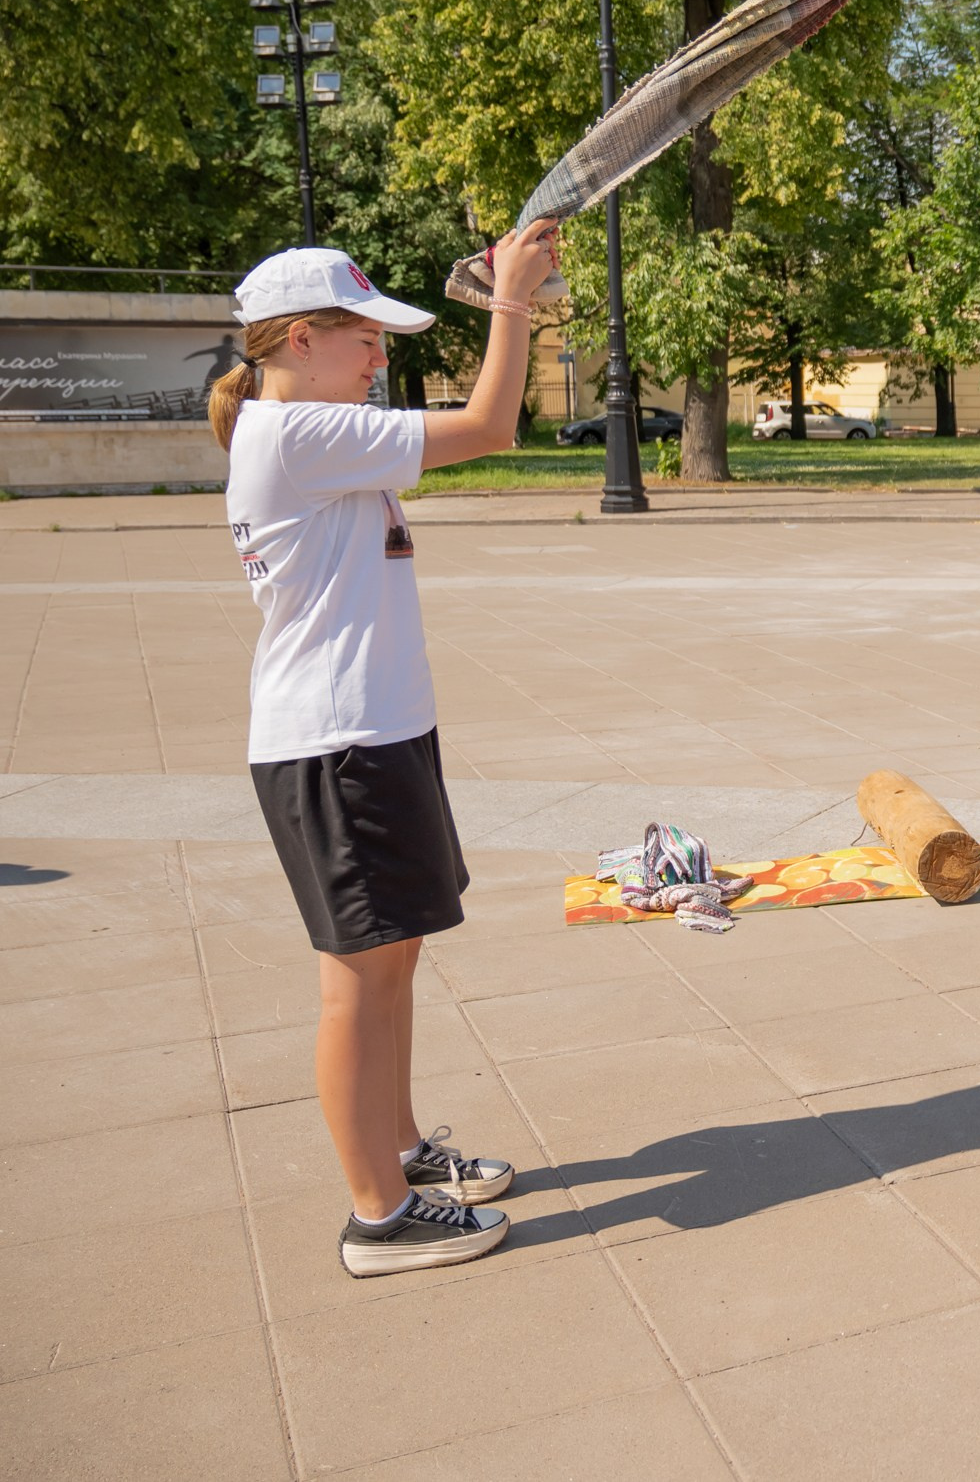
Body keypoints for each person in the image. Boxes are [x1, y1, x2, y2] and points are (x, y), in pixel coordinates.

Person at [218, 231, 558, 1276]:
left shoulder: (314, 430)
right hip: (336, 744)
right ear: (301, 340)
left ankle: (401, 1150)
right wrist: (510, 303)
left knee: (395, 956)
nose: (379, 359)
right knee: (356, 982)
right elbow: (491, 424)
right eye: (365, 340)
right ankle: (379, 1215)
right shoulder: (296, 430)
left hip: (376, 731)